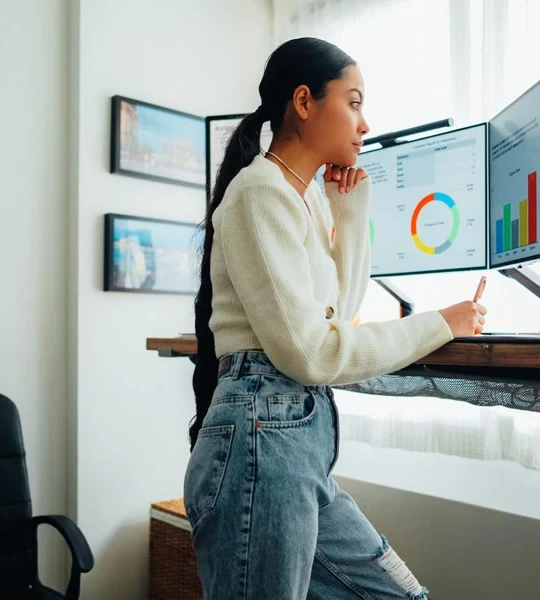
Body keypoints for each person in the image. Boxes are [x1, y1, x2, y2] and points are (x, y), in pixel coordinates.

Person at [184, 37, 487, 599]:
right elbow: (315, 353)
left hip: (293, 445)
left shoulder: (304, 198)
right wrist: (442, 323)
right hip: (262, 439)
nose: (365, 123)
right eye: (353, 102)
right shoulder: (259, 192)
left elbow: (338, 322)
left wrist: (348, 212)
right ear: (304, 102)